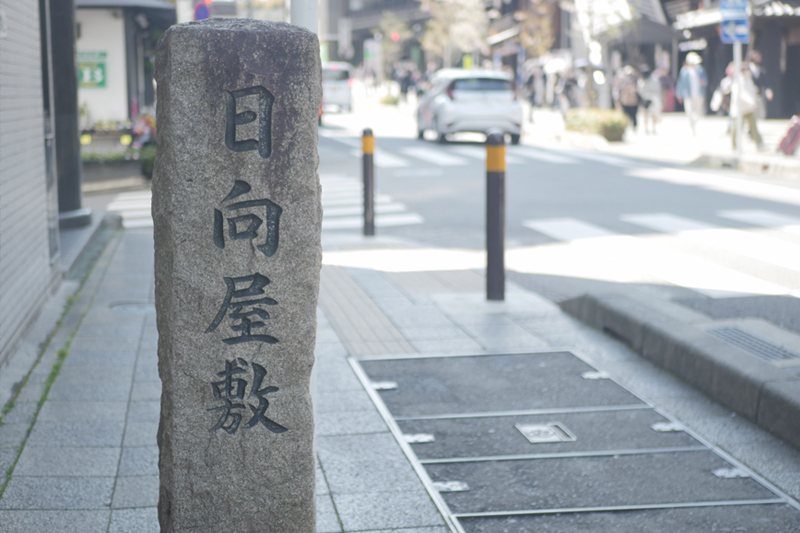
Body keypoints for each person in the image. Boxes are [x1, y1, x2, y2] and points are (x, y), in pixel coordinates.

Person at [730, 63, 764, 151]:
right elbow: (742, 94)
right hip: (739, 109)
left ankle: (759, 144)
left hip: (748, 109)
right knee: (737, 128)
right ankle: (734, 146)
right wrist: (752, 102)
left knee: (753, 126)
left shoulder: (748, 80)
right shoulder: (739, 81)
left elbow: (751, 92)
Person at [676, 52, 708, 135]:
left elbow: (705, 80)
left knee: (698, 113)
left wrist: (702, 82)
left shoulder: (700, 70)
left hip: (699, 95)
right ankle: (692, 127)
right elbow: (681, 83)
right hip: (688, 95)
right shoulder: (684, 71)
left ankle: (694, 124)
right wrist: (679, 94)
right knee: (689, 112)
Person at [749, 50, 773, 119]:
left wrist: (768, 90)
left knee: (761, 113)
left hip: (758, 95)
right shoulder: (747, 68)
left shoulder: (761, 70)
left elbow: (765, 83)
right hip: (749, 94)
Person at [638, 65, 662, 134]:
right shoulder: (654, 79)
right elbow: (658, 89)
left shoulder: (642, 81)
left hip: (649, 98)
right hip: (651, 98)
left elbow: (640, 91)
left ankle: (649, 128)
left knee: (648, 114)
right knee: (650, 114)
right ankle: (650, 128)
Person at [617, 66, 640, 131]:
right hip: (626, 101)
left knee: (633, 115)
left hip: (633, 101)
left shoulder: (635, 80)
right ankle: (627, 127)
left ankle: (634, 127)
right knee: (626, 116)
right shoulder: (622, 81)